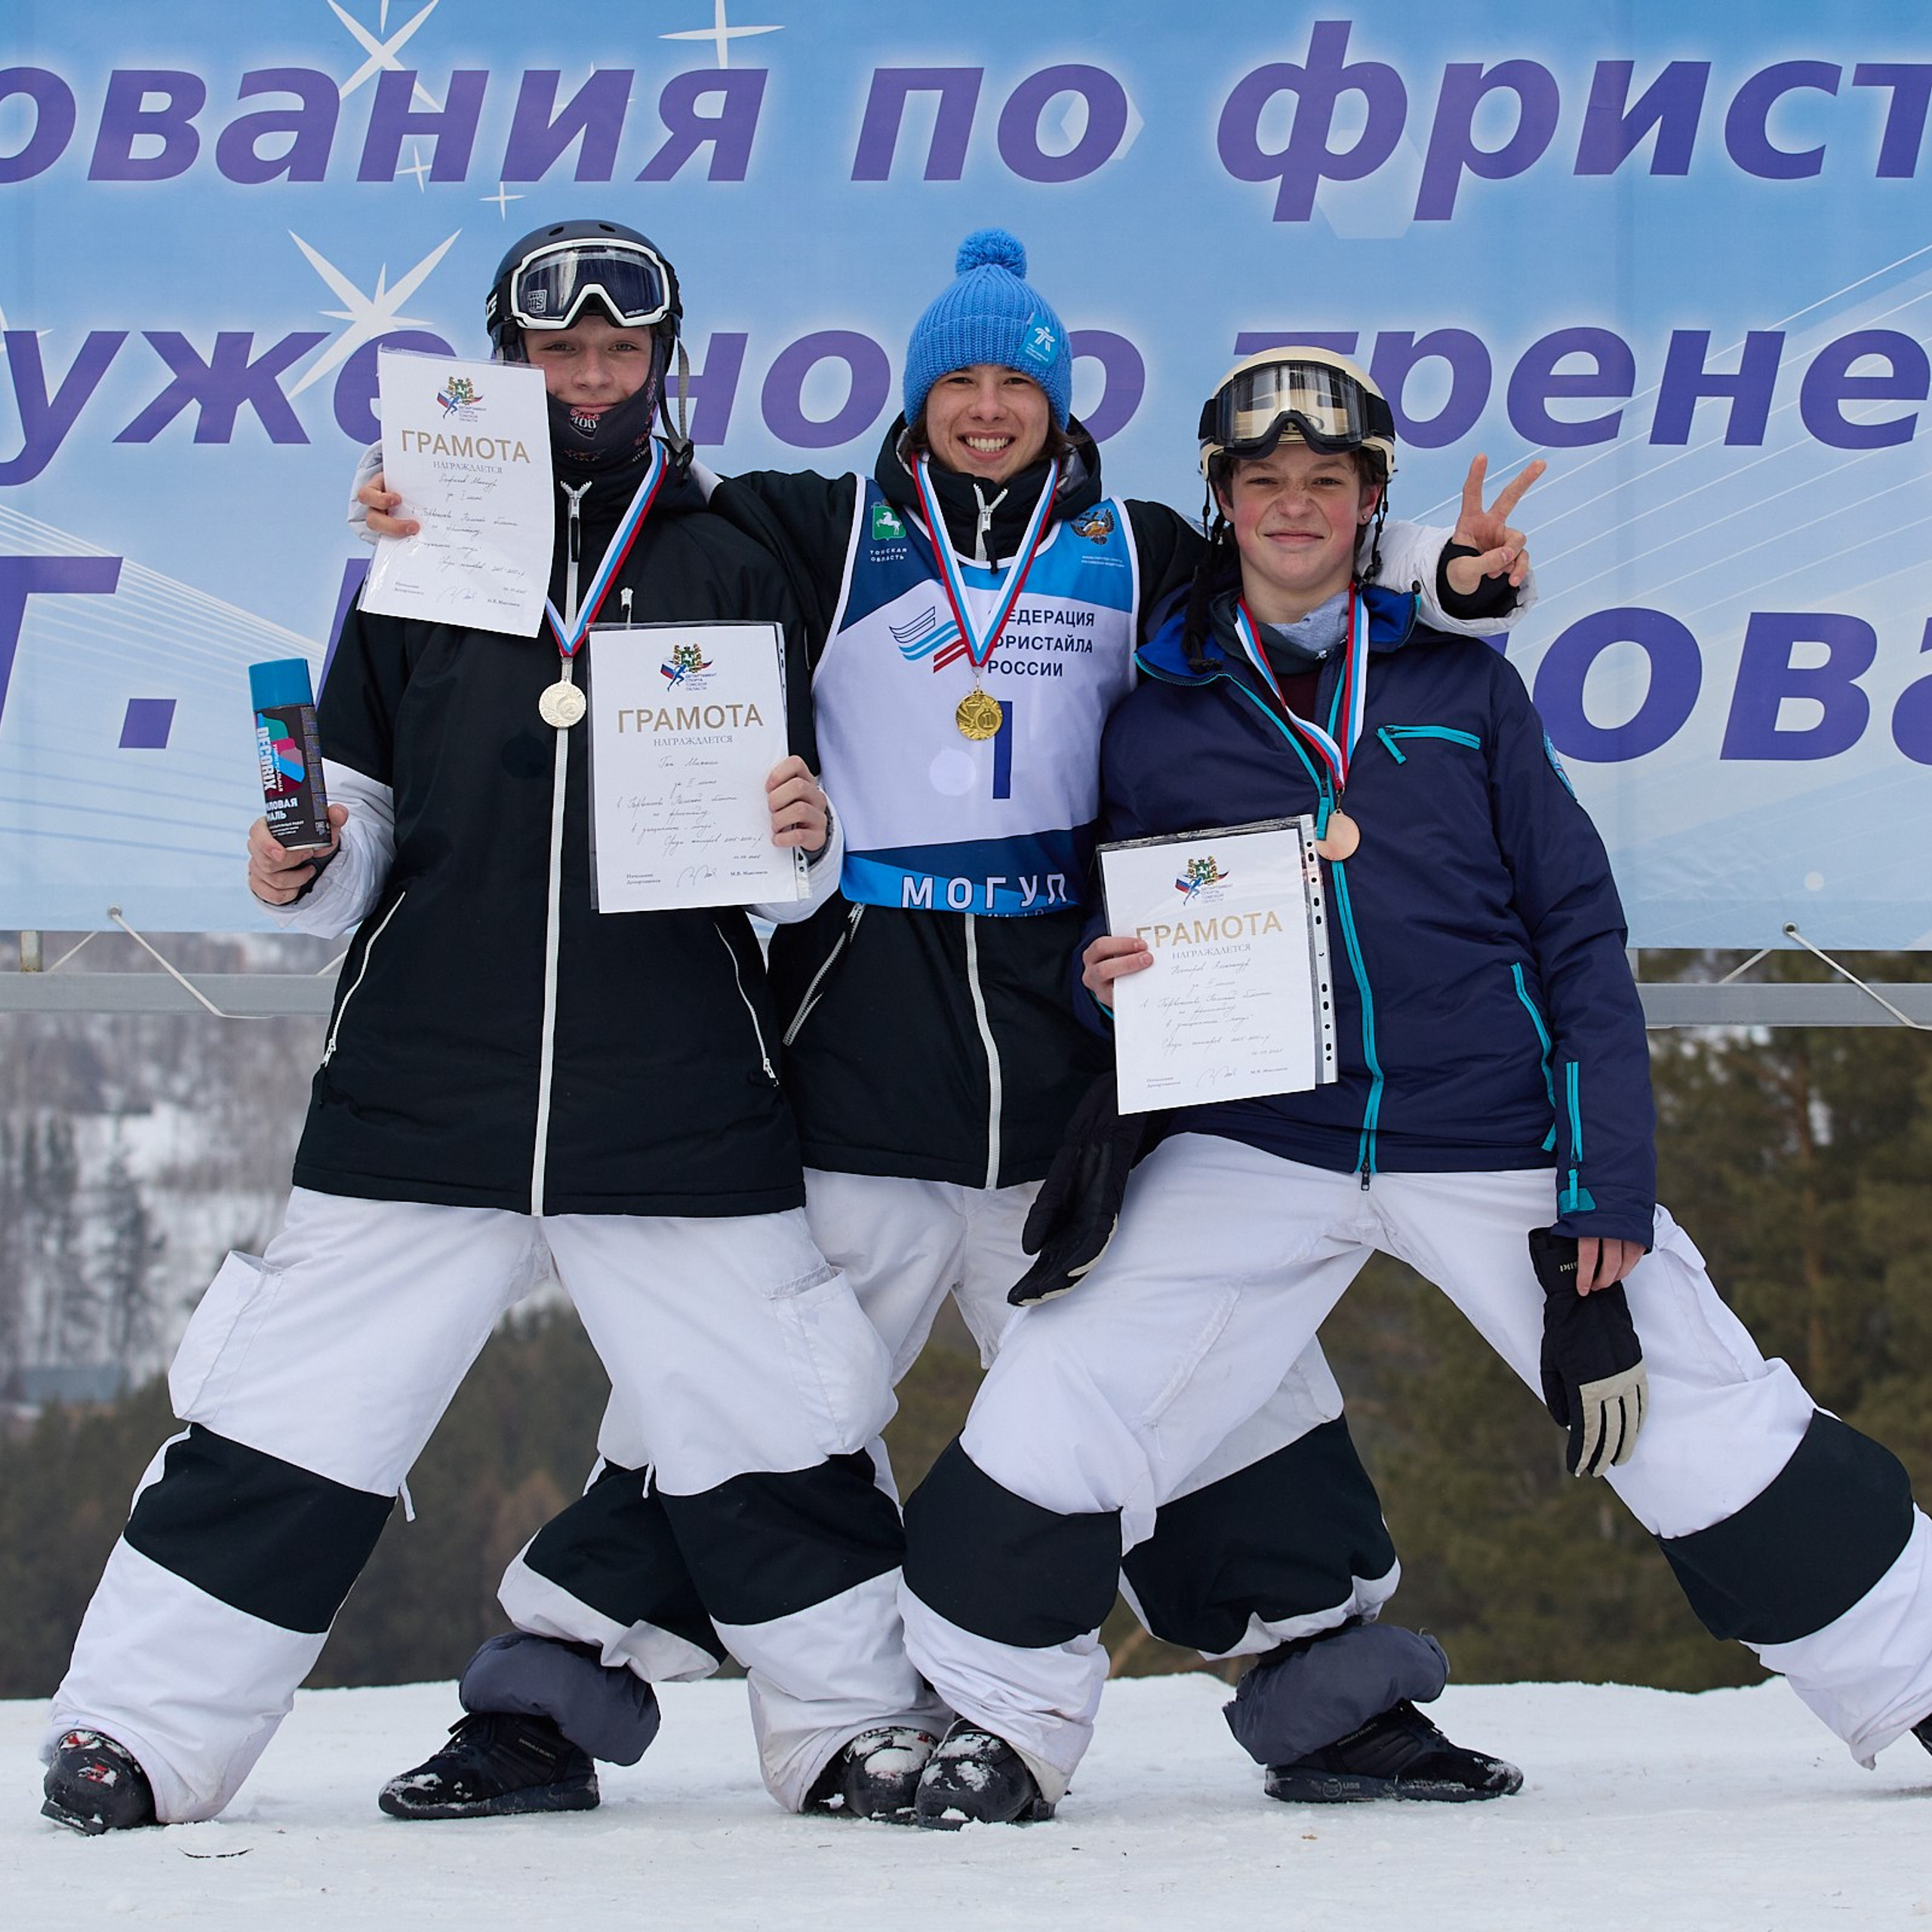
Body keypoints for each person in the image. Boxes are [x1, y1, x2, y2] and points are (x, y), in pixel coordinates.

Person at [357, 233, 1545, 1823]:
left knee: (1198, 1364)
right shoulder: (817, 525)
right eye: (959, 382)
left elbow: (1295, 560)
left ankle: (1336, 1696)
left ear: (1058, 403)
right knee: (755, 1384)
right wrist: (448, 502)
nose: (988, 409)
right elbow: (627, 512)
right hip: (863, 1029)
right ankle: (546, 1699)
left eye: (1016, 384)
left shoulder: (1137, 545)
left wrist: (1442, 575)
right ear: (917, 399)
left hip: (1078, 1037)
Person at [892, 344, 1932, 1826]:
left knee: (1691, 1402)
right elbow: (1114, 925)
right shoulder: (1160, 713)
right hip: (1264, 1136)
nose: (1293, 505)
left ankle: (1914, 1669)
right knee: (1065, 1380)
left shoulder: (1462, 685)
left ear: (1369, 502)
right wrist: (1096, 976)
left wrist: (1603, 1188)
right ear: (1223, 500)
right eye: (1264, 480)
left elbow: (1577, 935)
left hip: (1485, 1130)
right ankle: (998, 1723)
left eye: (1326, 480)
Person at [37, 217, 946, 1835]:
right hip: (423, 1077)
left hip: (676, 1082)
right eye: (558, 350)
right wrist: (303, 859)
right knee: (283, 1415)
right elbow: (360, 823)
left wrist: (803, 842)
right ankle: (140, 1731)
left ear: (664, 361)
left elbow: (788, 864)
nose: (590, 376)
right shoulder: (419, 555)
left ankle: (855, 1726)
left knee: (781, 1423)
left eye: (619, 350)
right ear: (507, 362)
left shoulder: (736, 556)